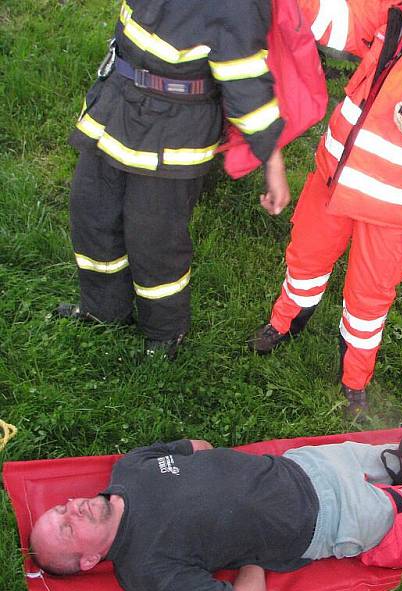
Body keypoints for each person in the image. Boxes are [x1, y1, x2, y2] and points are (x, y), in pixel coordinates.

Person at [246, 0, 402, 417]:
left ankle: (354, 382)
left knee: (368, 300)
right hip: (333, 182)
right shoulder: (395, 15)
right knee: (305, 260)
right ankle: (285, 323)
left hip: (390, 212)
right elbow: (329, 18)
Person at [27, 412, 402, 591]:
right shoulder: (146, 572)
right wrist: (252, 549)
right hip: (330, 519)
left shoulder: (128, 470)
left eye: (60, 511)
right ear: (90, 561)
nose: (72, 510)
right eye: (67, 530)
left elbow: (195, 447)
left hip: (306, 464)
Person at [56, 0, 291, 359]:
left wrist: (272, 162)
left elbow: (246, 83)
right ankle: (103, 309)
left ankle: (164, 334)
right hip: (118, 103)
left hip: (175, 130)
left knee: (154, 239)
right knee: (91, 213)